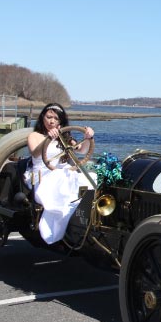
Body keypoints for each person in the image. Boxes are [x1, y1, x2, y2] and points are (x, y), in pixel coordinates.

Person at [25, 103, 95, 245]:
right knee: (61, 178)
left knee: (91, 177)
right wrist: (48, 138)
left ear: (61, 121)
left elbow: (82, 150)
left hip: (62, 173)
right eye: (49, 117)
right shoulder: (35, 136)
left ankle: (85, 218)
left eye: (56, 119)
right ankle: (58, 227)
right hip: (42, 176)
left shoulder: (64, 137)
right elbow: (35, 152)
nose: (52, 121)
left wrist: (88, 137)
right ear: (42, 117)